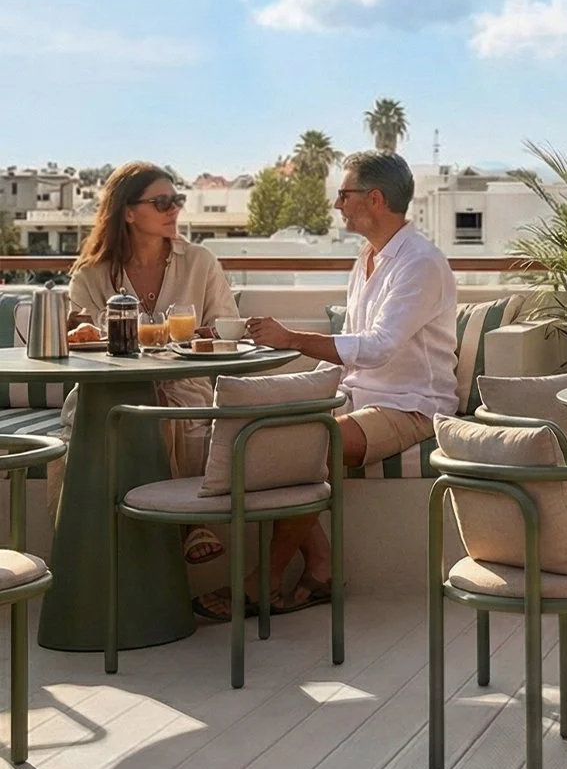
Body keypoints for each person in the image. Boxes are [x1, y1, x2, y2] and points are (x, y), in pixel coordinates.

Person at [223, 150, 457, 619]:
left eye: (345, 194)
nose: (337, 204)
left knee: (316, 442)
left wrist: (292, 339)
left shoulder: (420, 264)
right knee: (263, 434)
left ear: (375, 199)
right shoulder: (367, 259)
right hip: (358, 398)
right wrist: (305, 389)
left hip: (412, 406)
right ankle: (322, 566)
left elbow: (378, 347)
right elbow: (354, 349)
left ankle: (262, 581)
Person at [61, 162, 239, 569]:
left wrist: (198, 337)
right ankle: (89, 541)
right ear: (128, 212)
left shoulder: (200, 262)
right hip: (109, 390)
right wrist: (84, 331)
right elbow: (81, 340)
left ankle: (181, 522)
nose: (173, 209)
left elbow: (226, 329)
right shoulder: (91, 275)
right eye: (161, 202)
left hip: (183, 385)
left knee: (166, 409)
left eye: (176, 200)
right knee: (107, 419)